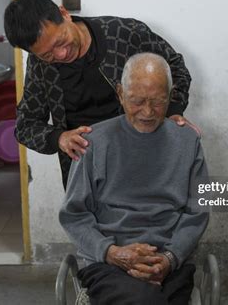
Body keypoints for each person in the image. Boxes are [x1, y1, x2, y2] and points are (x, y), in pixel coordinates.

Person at [4, 0, 199, 189]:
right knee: (88, 218)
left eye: (60, 42)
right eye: (48, 55)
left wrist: (174, 111)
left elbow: (175, 68)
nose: (61, 54)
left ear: (64, 14)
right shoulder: (40, 66)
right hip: (85, 171)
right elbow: (25, 125)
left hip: (142, 156)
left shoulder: (123, 33)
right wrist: (59, 138)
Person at [59, 53, 209, 304]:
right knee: (142, 299)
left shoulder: (187, 142)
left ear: (171, 96)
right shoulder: (93, 142)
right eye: (137, 101)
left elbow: (198, 211)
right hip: (109, 261)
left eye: (158, 101)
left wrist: (170, 259)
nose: (148, 112)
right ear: (120, 93)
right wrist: (111, 252)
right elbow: (74, 215)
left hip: (169, 260)